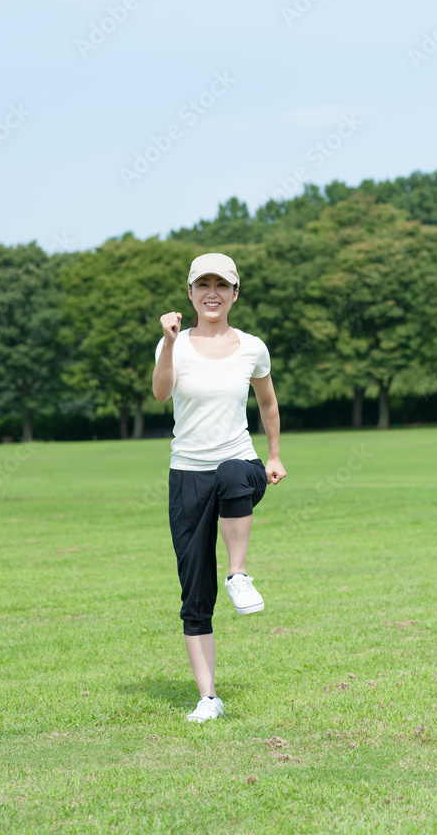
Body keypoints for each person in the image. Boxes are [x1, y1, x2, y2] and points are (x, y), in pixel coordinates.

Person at [152, 252, 287, 723]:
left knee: (232, 471)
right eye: (202, 284)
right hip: (187, 474)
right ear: (190, 293)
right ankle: (208, 698)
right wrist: (168, 344)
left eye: (221, 285)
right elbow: (161, 393)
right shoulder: (173, 344)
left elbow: (267, 403)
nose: (212, 292)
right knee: (193, 587)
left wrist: (272, 455)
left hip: (240, 466)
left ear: (234, 293)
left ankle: (238, 574)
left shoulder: (252, 346)